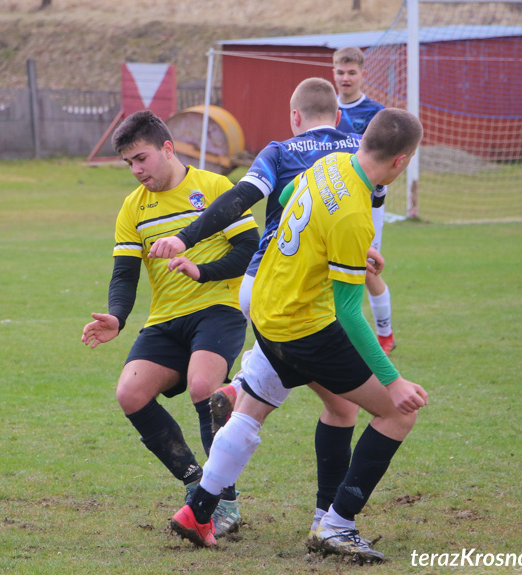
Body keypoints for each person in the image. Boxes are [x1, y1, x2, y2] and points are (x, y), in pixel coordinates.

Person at [170, 109, 428, 564]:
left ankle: (197, 511)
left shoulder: (329, 165)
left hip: (267, 312)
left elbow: (289, 195)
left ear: (363, 139)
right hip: (307, 327)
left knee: (271, 410)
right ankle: (337, 524)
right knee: (396, 415)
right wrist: (393, 381)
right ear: (402, 162)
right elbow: (349, 311)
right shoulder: (355, 212)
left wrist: (339, 248)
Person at [149, 78, 377, 548]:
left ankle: (202, 504)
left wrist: (186, 237)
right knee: (342, 406)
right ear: (338, 117)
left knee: (258, 401)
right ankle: (327, 519)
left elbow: (239, 200)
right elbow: (369, 208)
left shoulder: (279, 150)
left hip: (259, 283)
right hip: (307, 292)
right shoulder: (360, 149)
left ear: (294, 117)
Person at [81, 110, 259, 537]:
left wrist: (203, 271)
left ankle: (224, 503)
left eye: (141, 158)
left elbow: (250, 248)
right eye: (129, 163)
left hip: (219, 308)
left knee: (204, 387)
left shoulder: (214, 188)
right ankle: (196, 481)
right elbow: (125, 273)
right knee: (130, 393)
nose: (136, 170)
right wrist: (117, 317)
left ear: (167, 148)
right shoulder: (133, 207)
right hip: (166, 319)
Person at [333, 46, 396, 355]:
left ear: (362, 75)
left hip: (367, 204)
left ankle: (385, 334)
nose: (345, 78)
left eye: (351, 72)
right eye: (340, 72)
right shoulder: (325, 110)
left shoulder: (376, 113)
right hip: (331, 203)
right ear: (333, 73)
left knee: (367, 270)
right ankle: (334, 332)